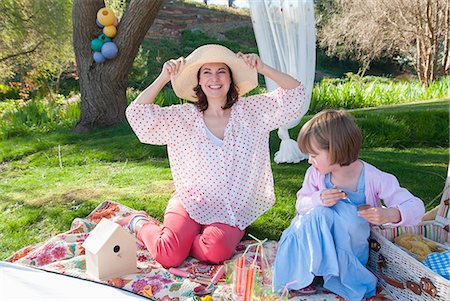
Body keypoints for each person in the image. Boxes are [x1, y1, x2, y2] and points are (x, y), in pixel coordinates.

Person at [121, 44, 308, 268]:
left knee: (215, 251)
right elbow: (137, 115)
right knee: (168, 255)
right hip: (192, 200)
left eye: (221, 71)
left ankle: (189, 240)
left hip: (233, 206)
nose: (215, 78)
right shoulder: (185, 118)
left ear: (230, 79)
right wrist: (164, 77)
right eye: (207, 73)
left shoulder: (251, 112)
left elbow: (296, 95)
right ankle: (140, 223)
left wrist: (263, 67)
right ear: (198, 81)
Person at [272, 110, 425, 300]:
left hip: (348, 248)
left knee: (350, 218)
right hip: (315, 245)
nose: (309, 160)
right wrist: (317, 198)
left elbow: (416, 206)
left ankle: (335, 275)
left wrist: (391, 214)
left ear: (336, 149)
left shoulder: (373, 177)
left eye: (313, 155)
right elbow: (301, 205)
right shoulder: (315, 174)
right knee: (318, 213)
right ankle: (308, 273)